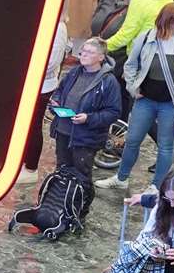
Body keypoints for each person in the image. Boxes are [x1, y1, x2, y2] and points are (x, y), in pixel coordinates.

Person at [105, 3, 174, 193]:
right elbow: (130, 65)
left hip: (171, 102)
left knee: (166, 145)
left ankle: (157, 185)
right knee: (133, 139)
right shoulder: (146, 38)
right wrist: (133, 88)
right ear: (169, 20)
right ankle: (121, 178)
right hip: (145, 100)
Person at [51, 37, 124, 184]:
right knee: (61, 172)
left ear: (101, 57)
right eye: (83, 51)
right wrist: (56, 102)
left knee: (81, 176)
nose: (83, 54)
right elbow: (60, 91)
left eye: (90, 52)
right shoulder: (74, 73)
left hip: (85, 138)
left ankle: (80, 205)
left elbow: (113, 112)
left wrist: (88, 118)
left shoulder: (108, 82)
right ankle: (59, 202)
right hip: (63, 131)